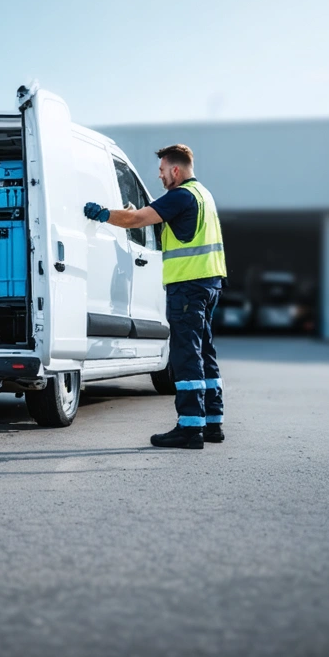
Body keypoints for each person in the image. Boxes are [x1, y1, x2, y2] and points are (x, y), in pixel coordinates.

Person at [83, 144, 227, 449]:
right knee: (204, 352)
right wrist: (133, 214)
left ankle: (189, 428)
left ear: (175, 170)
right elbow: (161, 223)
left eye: (162, 171)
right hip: (209, 283)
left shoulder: (181, 195)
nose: (159, 176)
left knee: (186, 354)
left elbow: (136, 221)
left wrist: (104, 214)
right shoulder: (203, 195)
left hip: (188, 285)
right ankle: (212, 423)